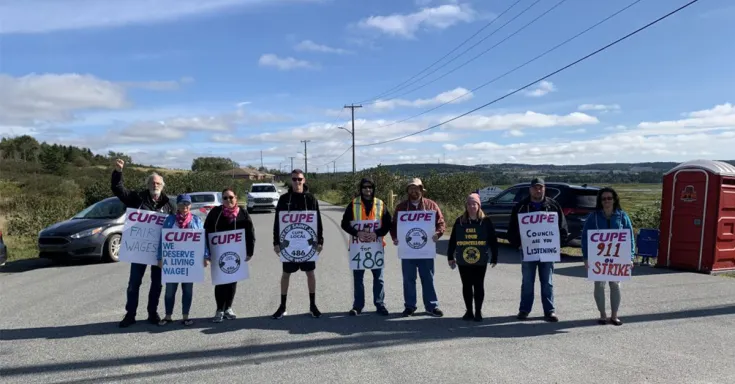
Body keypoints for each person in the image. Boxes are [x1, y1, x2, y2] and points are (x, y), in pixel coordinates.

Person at [111, 159, 176, 328]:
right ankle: (130, 314)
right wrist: (118, 172)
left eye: (158, 182)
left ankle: (152, 313)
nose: (155, 184)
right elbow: (118, 190)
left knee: (156, 284)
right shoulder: (137, 198)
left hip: (159, 252)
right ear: (148, 184)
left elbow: (175, 226)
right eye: (152, 182)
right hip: (139, 250)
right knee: (134, 284)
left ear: (163, 185)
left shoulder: (169, 205)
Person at [507, 177, 568, 323]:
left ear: (544, 188)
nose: (538, 190)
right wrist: (518, 243)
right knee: (527, 281)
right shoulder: (521, 206)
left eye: (540, 187)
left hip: (547, 252)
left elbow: (563, 228)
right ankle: (524, 310)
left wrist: (558, 243)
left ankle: (549, 311)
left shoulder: (553, 206)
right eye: (535, 187)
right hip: (528, 251)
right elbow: (512, 230)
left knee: (547, 281)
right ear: (530, 189)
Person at [271, 169, 324, 319]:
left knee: (310, 273)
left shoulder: (311, 199)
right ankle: (282, 306)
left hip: (307, 244)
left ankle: (313, 306)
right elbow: (277, 223)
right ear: (291, 181)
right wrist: (276, 242)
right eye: (294, 179)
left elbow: (318, 222)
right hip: (289, 244)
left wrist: (320, 241)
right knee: (286, 274)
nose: (297, 182)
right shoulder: (284, 199)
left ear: (304, 180)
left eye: (299, 179)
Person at [390, 178, 446, 317]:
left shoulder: (431, 205)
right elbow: (393, 225)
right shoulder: (401, 207)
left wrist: (437, 234)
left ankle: (432, 306)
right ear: (408, 190)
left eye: (416, 188)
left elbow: (441, 223)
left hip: (426, 250)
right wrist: (395, 237)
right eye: (411, 188)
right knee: (408, 279)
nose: (413, 191)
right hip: (407, 251)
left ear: (421, 190)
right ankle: (410, 306)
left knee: (428, 278)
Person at [581, 187, 636, 326]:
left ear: (614, 199)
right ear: (600, 201)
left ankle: (614, 315)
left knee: (615, 285)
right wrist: (586, 257)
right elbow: (584, 238)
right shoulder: (593, 217)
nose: (607, 201)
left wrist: (630, 257)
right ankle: (603, 314)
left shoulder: (622, 216)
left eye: (609, 198)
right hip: (598, 258)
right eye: (604, 198)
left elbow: (630, 238)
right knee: (599, 285)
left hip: (618, 258)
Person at [340, 177, 393, 316]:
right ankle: (358, 306)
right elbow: (344, 223)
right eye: (365, 187)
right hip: (358, 247)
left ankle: (380, 304)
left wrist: (377, 234)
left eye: (370, 187)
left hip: (376, 246)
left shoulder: (380, 204)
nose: (367, 190)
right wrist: (357, 233)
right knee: (358, 278)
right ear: (361, 189)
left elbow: (388, 223)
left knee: (379, 278)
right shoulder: (353, 204)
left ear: (373, 188)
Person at [203, 187, 256, 323]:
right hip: (218, 253)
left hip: (236, 254)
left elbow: (250, 233)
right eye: (225, 198)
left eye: (231, 197)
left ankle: (228, 308)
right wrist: (206, 252)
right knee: (220, 282)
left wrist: (250, 251)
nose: (228, 200)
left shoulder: (243, 213)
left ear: (236, 198)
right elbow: (206, 230)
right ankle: (219, 309)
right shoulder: (215, 212)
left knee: (232, 281)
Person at [446, 193, 499, 322]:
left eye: (474, 204)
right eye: (469, 204)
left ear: (479, 205)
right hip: (464, 259)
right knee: (466, 285)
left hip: (480, 259)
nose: (471, 206)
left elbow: (493, 240)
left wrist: (494, 256)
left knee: (479, 285)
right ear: (466, 206)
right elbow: (453, 239)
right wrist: (450, 256)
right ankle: (469, 311)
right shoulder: (460, 221)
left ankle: (478, 312)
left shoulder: (486, 221)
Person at [156, 194, 207, 326]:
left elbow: (203, 240)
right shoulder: (169, 220)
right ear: (177, 205)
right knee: (169, 291)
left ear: (190, 205)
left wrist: (205, 256)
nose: (184, 206)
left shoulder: (196, 220)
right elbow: (163, 239)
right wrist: (160, 257)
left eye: (187, 204)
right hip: (173, 262)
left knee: (188, 290)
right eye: (181, 204)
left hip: (190, 263)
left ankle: (185, 316)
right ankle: (168, 316)